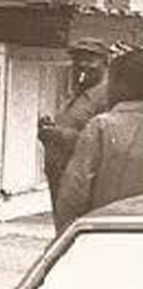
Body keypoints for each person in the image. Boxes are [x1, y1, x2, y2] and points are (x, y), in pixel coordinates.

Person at [54, 49, 142, 231]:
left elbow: (73, 195)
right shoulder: (78, 99)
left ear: (121, 85)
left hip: (108, 235)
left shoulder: (102, 127)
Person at [39, 38, 114, 230]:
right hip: (60, 175)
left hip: (81, 182)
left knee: (77, 233)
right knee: (63, 231)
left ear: (105, 61)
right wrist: (48, 131)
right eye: (78, 59)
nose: (82, 64)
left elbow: (103, 141)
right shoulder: (78, 92)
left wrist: (59, 135)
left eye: (90, 59)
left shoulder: (107, 95)